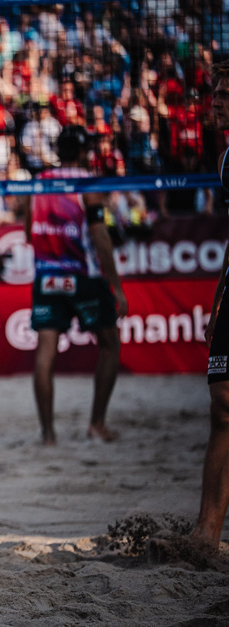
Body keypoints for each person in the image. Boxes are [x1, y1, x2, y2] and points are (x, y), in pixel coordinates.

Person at [25, 125, 128, 445]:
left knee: (45, 354)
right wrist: (118, 287)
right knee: (110, 346)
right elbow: (100, 237)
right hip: (83, 276)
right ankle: (96, 423)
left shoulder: (38, 183)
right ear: (84, 152)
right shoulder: (88, 185)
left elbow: (29, 231)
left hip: (46, 276)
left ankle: (47, 434)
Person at [195, 62, 229, 553]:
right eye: (215, 93)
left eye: (225, 94)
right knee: (222, 405)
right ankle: (205, 535)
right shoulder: (226, 159)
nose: (215, 101)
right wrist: (218, 301)